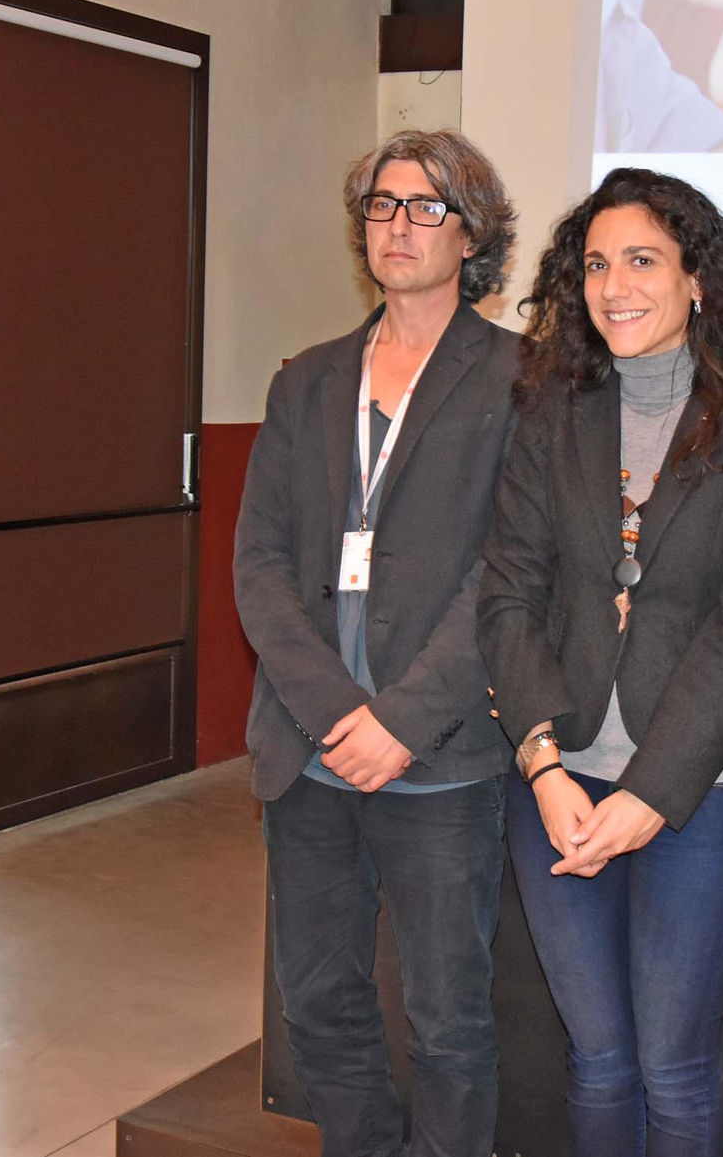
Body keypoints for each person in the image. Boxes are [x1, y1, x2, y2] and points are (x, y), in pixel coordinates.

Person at [479, 167, 723, 1156]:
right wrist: (541, 764)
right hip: (559, 785)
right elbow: (508, 592)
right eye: (596, 264)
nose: (615, 286)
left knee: (674, 1067)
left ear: (698, 279)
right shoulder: (551, 410)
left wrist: (650, 792)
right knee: (599, 1061)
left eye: (644, 261)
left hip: (701, 797)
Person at [233, 129, 520, 1157]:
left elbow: (510, 576)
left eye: (427, 206)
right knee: (319, 1004)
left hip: (438, 759)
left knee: (447, 1022)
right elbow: (260, 563)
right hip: (308, 752)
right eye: (383, 205)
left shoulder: (521, 381)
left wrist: (398, 721)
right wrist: (334, 712)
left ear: (472, 234)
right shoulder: (307, 381)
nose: (399, 226)